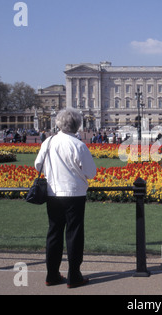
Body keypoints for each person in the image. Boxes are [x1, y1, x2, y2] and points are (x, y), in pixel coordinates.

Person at [35, 108, 96, 288]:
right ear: (77, 125)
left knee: (54, 234)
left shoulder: (48, 142)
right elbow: (91, 172)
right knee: (74, 235)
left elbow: (38, 164)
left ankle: (52, 275)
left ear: (58, 124)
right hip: (74, 194)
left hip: (53, 193)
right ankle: (74, 275)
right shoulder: (78, 145)